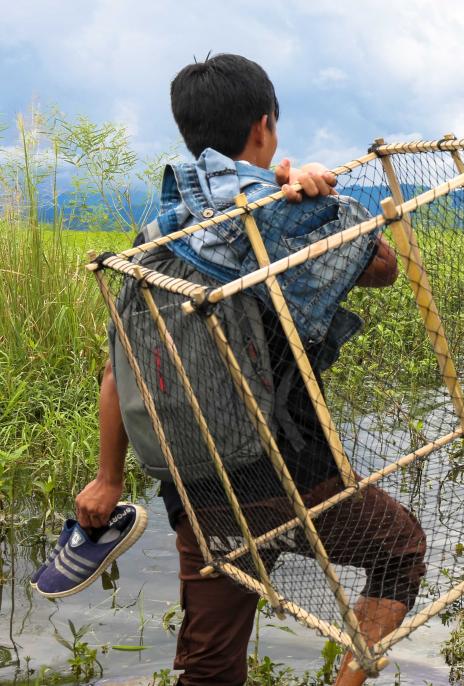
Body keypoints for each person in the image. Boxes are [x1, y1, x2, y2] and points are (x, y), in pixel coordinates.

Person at [73, 54, 426, 686]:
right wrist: (326, 196)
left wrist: (106, 480)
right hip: (279, 474)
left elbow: (116, 367)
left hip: (195, 484)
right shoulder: (275, 212)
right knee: (400, 550)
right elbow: (382, 265)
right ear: (264, 126)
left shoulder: (153, 236)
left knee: (212, 661)